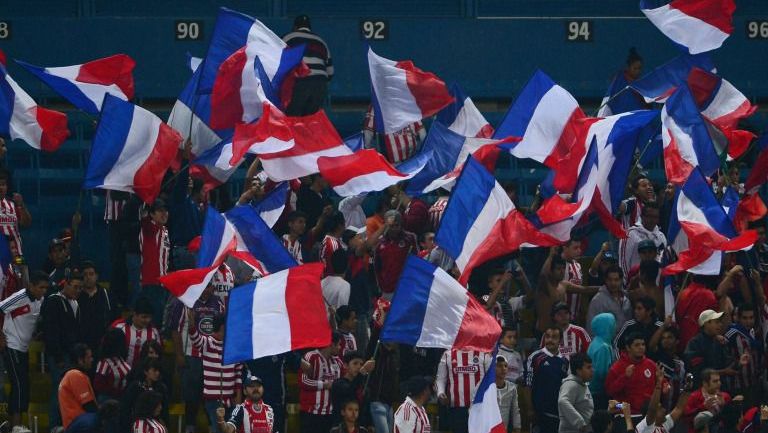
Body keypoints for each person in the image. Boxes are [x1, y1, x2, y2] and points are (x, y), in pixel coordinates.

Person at [169, 284, 225, 433]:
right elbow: (175, 329)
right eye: (204, 287)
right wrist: (179, 354)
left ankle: (212, 427)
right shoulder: (185, 302)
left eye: (209, 287)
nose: (207, 290)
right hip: (191, 356)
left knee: (211, 396)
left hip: (212, 356)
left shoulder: (218, 303)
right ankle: (189, 427)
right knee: (191, 395)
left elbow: (223, 327)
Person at [0, 270, 48, 431]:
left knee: (23, 384)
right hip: (11, 345)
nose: (43, 291)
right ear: (31, 285)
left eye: (45, 288)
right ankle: (16, 424)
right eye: (40, 287)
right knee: (19, 383)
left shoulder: (39, 301)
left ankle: (17, 424)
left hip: (24, 347)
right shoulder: (20, 297)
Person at [187, 310, 242, 432]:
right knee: (219, 430)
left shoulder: (233, 347)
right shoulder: (207, 343)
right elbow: (195, 338)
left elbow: (238, 373)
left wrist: (238, 397)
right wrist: (191, 325)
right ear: (223, 327)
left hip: (230, 399)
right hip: (213, 400)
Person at [42, 271, 83, 430]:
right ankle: (54, 424)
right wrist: (58, 356)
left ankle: (64, 423)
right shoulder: (54, 302)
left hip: (71, 355)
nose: (77, 291)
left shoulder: (75, 303)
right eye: (74, 287)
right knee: (59, 389)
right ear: (65, 284)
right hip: (59, 356)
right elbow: (51, 331)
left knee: (67, 392)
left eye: (80, 288)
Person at [606, 333, 665, 422]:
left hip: (648, 415)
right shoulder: (617, 367)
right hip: (625, 414)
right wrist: (625, 377)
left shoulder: (651, 364)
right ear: (628, 348)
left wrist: (665, 386)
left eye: (643, 344)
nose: (641, 347)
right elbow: (609, 391)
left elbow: (663, 382)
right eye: (637, 345)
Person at [282, 15, 333, 116]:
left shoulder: (288, 37)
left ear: (295, 27)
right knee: (311, 119)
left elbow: (277, 62)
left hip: (300, 82)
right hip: (320, 83)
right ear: (310, 27)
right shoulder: (321, 41)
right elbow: (330, 72)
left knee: (294, 117)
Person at [436, 348, 493, 433]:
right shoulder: (448, 354)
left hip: (479, 406)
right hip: (457, 407)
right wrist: (440, 393)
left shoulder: (484, 354)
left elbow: (491, 378)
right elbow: (440, 379)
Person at [524, 326, 569, 433]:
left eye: (554, 337)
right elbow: (527, 385)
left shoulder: (564, 361)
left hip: (558, 412)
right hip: (540, 412)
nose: (550, 340)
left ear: (560, 341)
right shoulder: (535, 357)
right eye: (547, 336)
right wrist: (530, 409)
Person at [685, 310, 747, 383]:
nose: (720, 325)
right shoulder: (695, 343)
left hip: (720, 388)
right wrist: (723, 372)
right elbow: (697, 372)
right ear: (707, 323)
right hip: (702, 389)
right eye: (717, 322)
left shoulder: (719, 342)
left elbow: (728, 362)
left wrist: (739, 363)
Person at [299, 333, 344, 433]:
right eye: (339, 344)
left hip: (331, 414)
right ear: (331, 344)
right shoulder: (311, 357)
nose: (340, 348)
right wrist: (325, 385)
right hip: (311, 413)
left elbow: (342, 383)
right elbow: (303, 381)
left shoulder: (338, 362)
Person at [369, 210, 418, 300]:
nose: (394, 229)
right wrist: (381, 286)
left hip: (406, 288)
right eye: (391, 226)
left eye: (397, 225)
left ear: (401, 224)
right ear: (386, 225)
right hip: (387, 290)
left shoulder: (409, 239)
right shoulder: (380, 243)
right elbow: (377, 267)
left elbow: (416, 262)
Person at [635, 363, 692, 433]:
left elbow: (679, 409)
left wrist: (688, 388)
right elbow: (652, 409)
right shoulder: (645, 426)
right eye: (659, 408)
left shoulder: (663, 425)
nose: (664, 409)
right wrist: (658, 384)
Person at [139, 198, 170, 326]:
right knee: (154, 319)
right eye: (159, 211)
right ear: (151, 214)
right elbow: (144, 219)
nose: (164, 214)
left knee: (161, 318)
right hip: (151, 282)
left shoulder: (165, 230)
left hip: (163, 282)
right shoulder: (149, 228)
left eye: (165, 210)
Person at [723, 304, 762, 403]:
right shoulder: (732, 333)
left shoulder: (757, 332)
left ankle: (764, 419)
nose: (748, 321)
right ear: (738, 318)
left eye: (751, 317)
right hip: (738, 386)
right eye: (745, 318)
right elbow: (722, 356)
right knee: (744, 416)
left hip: (756, 383)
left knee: (763, 411)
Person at [121, 359, 169, 433]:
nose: (157, 373)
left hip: (156, 422)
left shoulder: (161, 388)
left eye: (158, 371)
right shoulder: (135, 387)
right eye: (154, 370)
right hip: (137, 420)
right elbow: (126, 408)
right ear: (145, 371)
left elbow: (164, 410)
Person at [619, 201, 666, 277]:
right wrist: (626, 285)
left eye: (655, 217)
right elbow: (623, 262)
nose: (652, 220)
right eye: (649, 216)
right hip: (634, 284)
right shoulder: (630, 234)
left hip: (654, 285)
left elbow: (662, 263)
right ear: (642, 216)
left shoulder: (661, 237)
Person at [58, 344, 98, 432]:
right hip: (78, 423)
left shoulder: (72, 374)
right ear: (80, 360)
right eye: (89, 357)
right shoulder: (75, 375)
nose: (92, 360)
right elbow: (89, 405)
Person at [112, 297, 162, 366]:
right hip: (120, 371)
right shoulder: (119, 327)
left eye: (150, 317)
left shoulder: (154, 332)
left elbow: (158, 355)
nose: (148, 320)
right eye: (144, 317)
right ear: (135, 314)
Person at [77, 261, 113, 354]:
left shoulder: (106, 295)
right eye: (85, 274)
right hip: (81, 343)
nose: (88, 277)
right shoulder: (76, 296)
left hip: (102, 343)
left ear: (96, 276)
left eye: (91, 274)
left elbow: (113, 316)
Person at [676, 275, 719, 351]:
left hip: (683, 336)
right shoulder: (709, 295)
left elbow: (678, 316)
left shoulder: (682, 293)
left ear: (692, 278)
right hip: (701, 341)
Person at [586, 265, 631, 335]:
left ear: (621, 280)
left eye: (616, 280)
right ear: (605, 280)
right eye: (610, 280)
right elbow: (590, 327)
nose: (613, 283)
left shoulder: (627, 299)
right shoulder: (597, 300)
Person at [558, 353, 594, 433]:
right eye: (588, 367)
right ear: (578, 371)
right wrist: (580, 423)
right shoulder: (571, 384)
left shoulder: (583, 383)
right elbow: (562, 401)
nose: (592, 370)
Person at [587, 313, 616, 411]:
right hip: (599, 393)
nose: (614, 327)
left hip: (592, 391)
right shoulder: (603, 347)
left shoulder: (596, 342)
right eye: (612, 324)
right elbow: (602, 373)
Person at [93, 328, 132, 401]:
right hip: (109, 400)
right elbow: (98, 385)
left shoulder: (120, 359)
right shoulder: (104, 363)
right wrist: (114, 391)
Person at [495, 356, 521, 433]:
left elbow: (515, 409)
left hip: (505, 428)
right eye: (499, 366)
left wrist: (517, 427)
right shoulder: (485, 387)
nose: (503, 369)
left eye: (505, 366)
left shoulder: (512, 388)